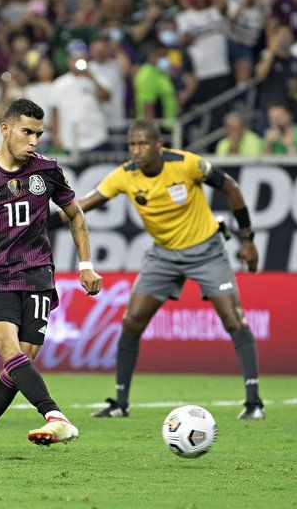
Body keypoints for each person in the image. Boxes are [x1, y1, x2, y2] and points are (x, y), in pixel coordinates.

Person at [54, 119, 263, 420]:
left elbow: (231, 187)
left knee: (233, 318)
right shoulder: (125, 175)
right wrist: (39, 223)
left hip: (206, 251)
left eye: (142, 143)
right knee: (132, 320)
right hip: (163, 256)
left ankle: (254, 402)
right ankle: (120, 403)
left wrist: (247, 239)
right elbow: (82, 207)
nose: (136, 150)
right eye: (132, 144)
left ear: (158, 145)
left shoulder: (187, 164)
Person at [0, 99, 102, 463]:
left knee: (17, 366)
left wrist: (85, 264)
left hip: (39, 277)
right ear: (6, 130)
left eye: (39, 134)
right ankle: (54, 414)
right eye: (27, 132)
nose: (35, 141)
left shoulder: (48, 170)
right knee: (7, 348)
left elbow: (76, 215)